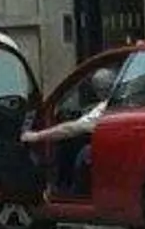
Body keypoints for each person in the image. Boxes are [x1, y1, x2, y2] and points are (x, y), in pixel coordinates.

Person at [22, 66, 115, 197]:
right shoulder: (124, 100)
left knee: (82, 152)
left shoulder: (106, 106)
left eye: (98, 88)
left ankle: (72, 193)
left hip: (111, 150)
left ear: (99, 90)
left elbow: (72, 129)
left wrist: (36, 136)